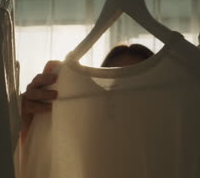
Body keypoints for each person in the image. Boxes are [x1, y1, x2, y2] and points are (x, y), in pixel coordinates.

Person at [20, 44, 154, 141]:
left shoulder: (171, 138)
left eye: (138, 86)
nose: (126, 98)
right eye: (115, 86)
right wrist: (29, 121)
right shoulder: (81, 139)